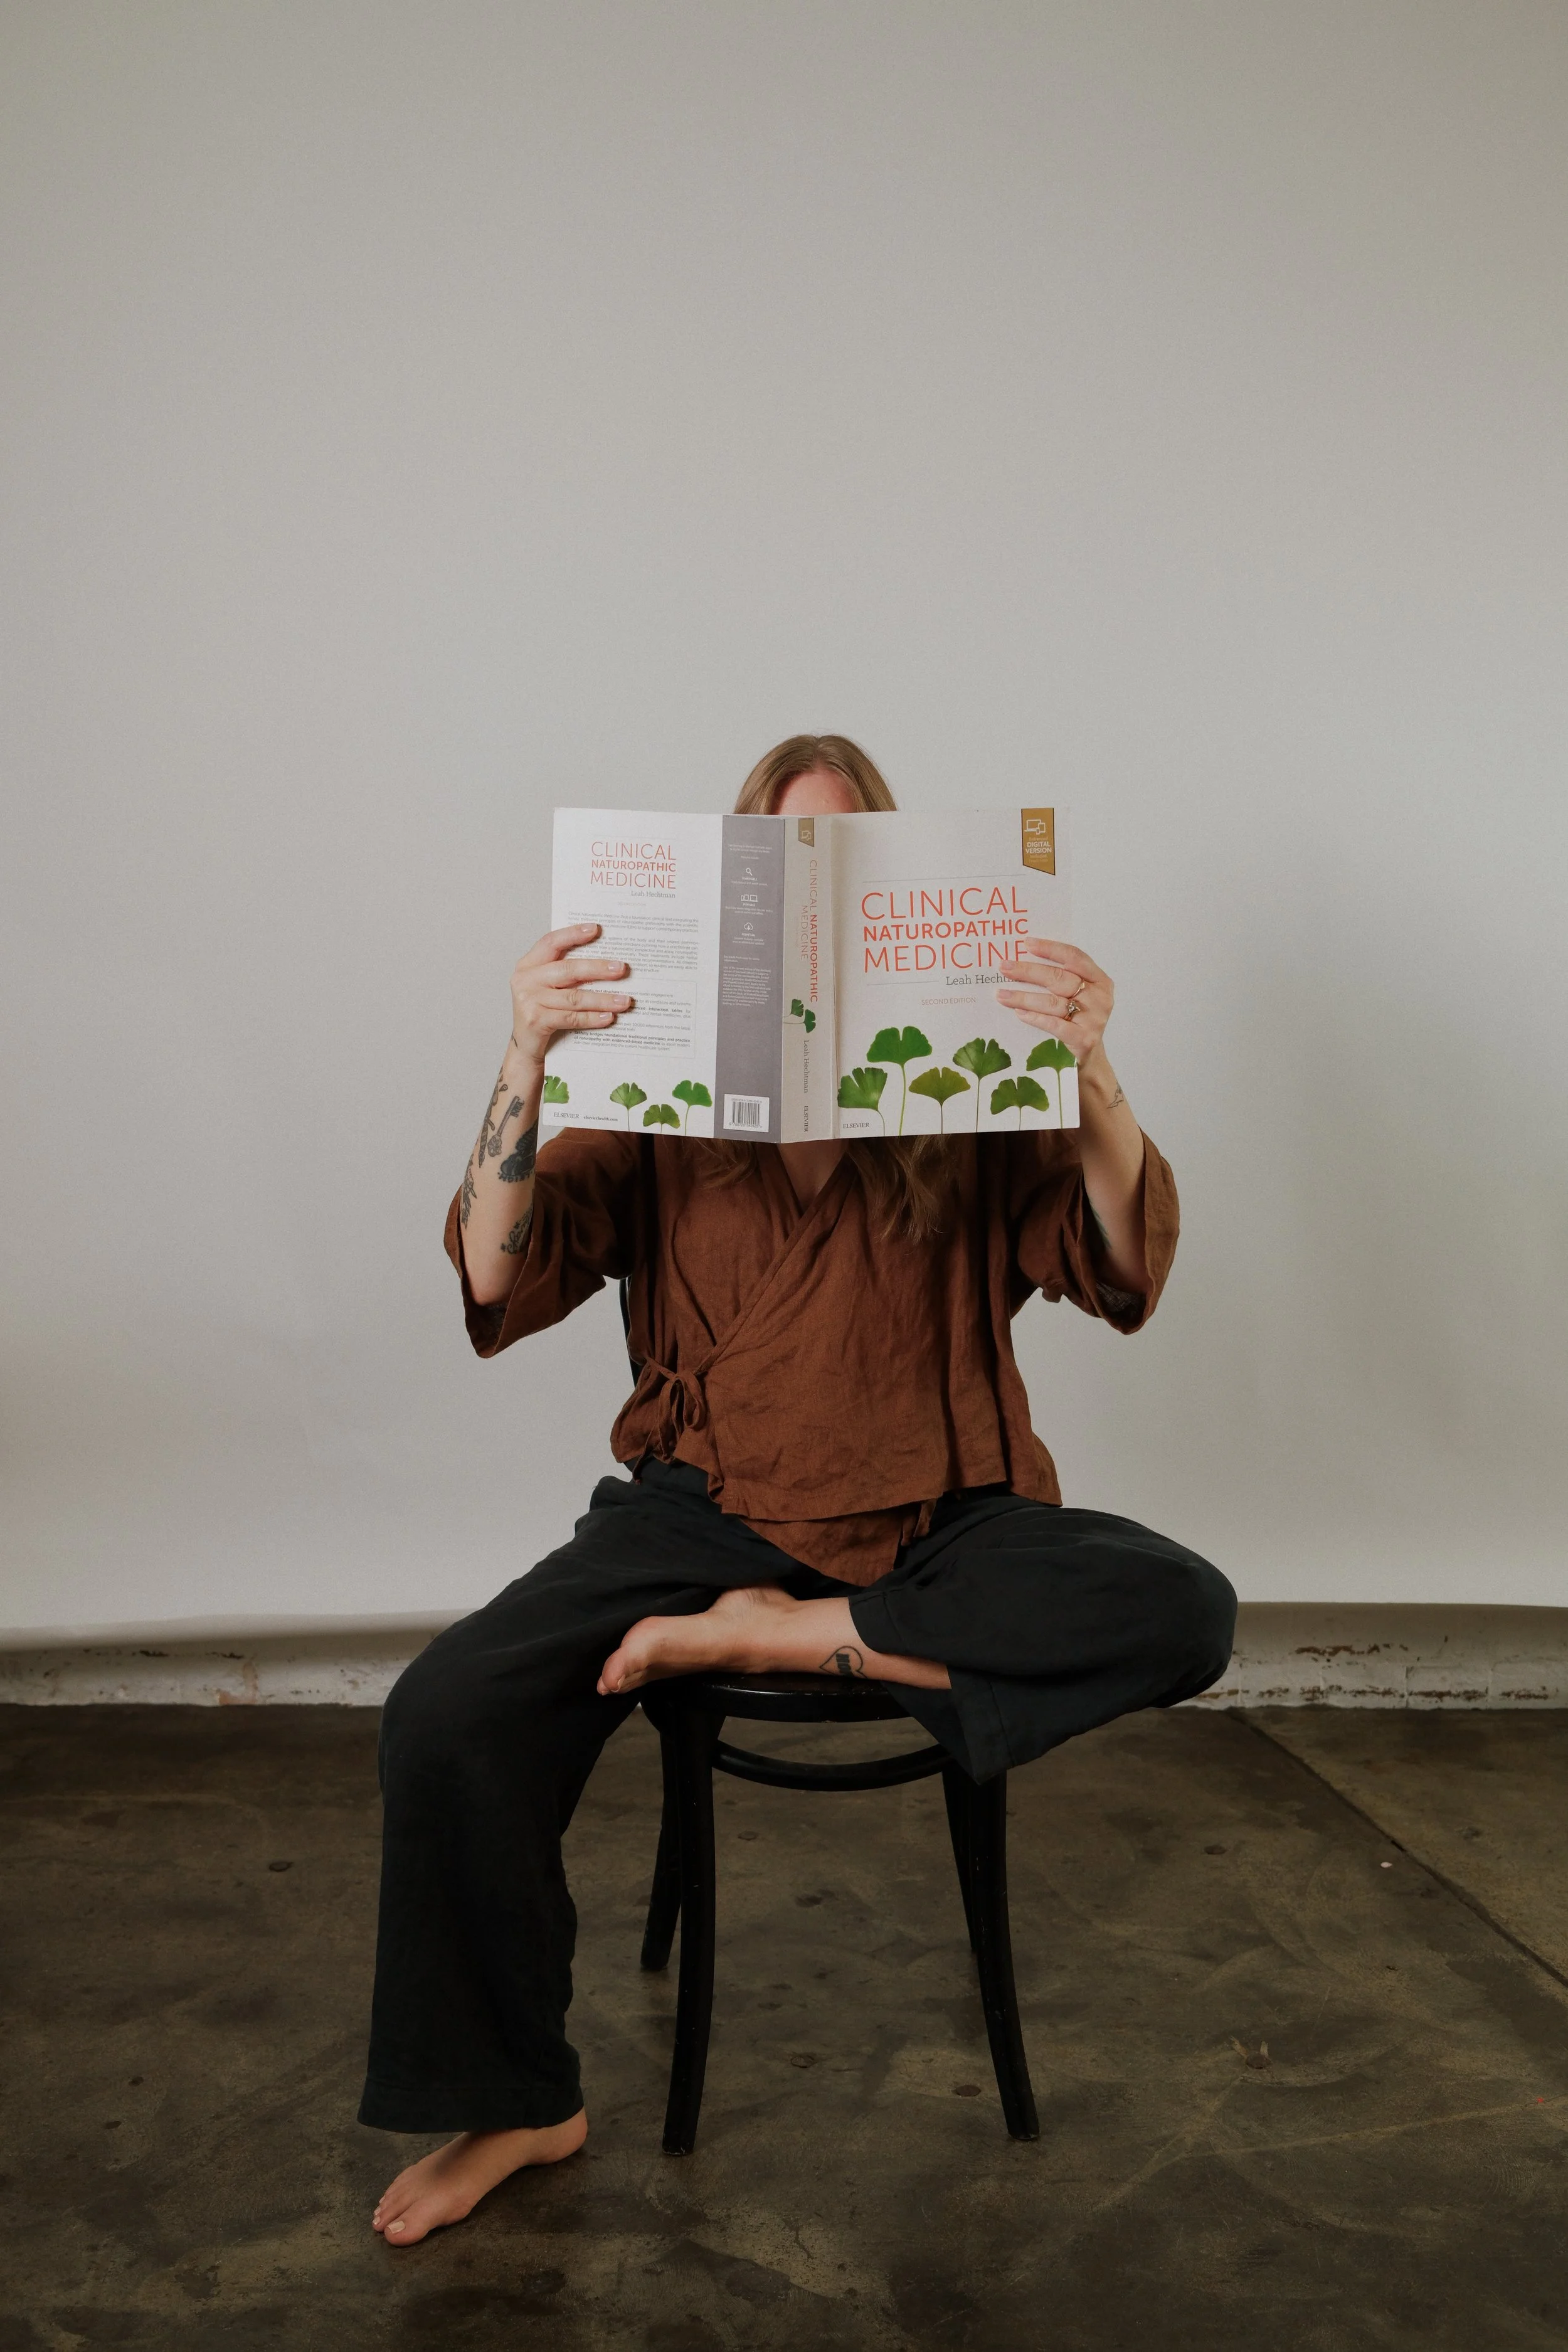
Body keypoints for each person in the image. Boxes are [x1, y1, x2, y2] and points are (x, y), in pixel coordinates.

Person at [364, 733, 1235, 2244]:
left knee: (1184, 1608)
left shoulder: (968, 1089)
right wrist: (525, 1058)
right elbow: (499, 1274)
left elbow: (1113, 1261)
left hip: (938, 1505)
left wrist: (1088, 1066)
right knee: (444, 1714)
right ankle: (520, 2100)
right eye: (777, 855)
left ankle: (793, 1633)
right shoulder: (657, 1093)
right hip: (699, 1506)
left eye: (841, 854)